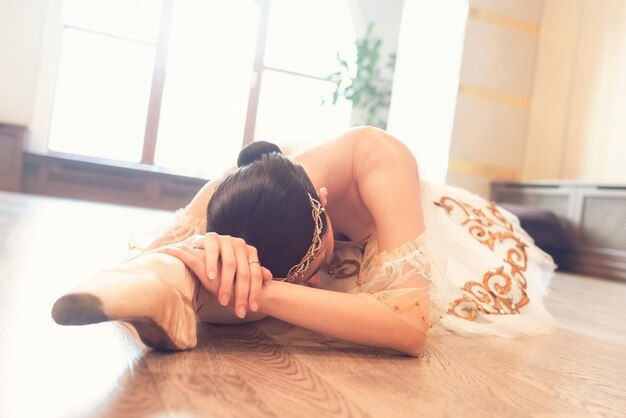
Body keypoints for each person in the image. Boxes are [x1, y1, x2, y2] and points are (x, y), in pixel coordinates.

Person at [51, 127, 556, 357]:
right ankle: (147, 293)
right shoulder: (241, 183)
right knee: (184, 259)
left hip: (445, 226)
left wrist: (264, 291)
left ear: (323, 196)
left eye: (312, 268)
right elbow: (160, 245)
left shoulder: (377, 158)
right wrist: (187, 259)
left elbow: (408, 326)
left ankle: (175, 294)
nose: (317, 279)